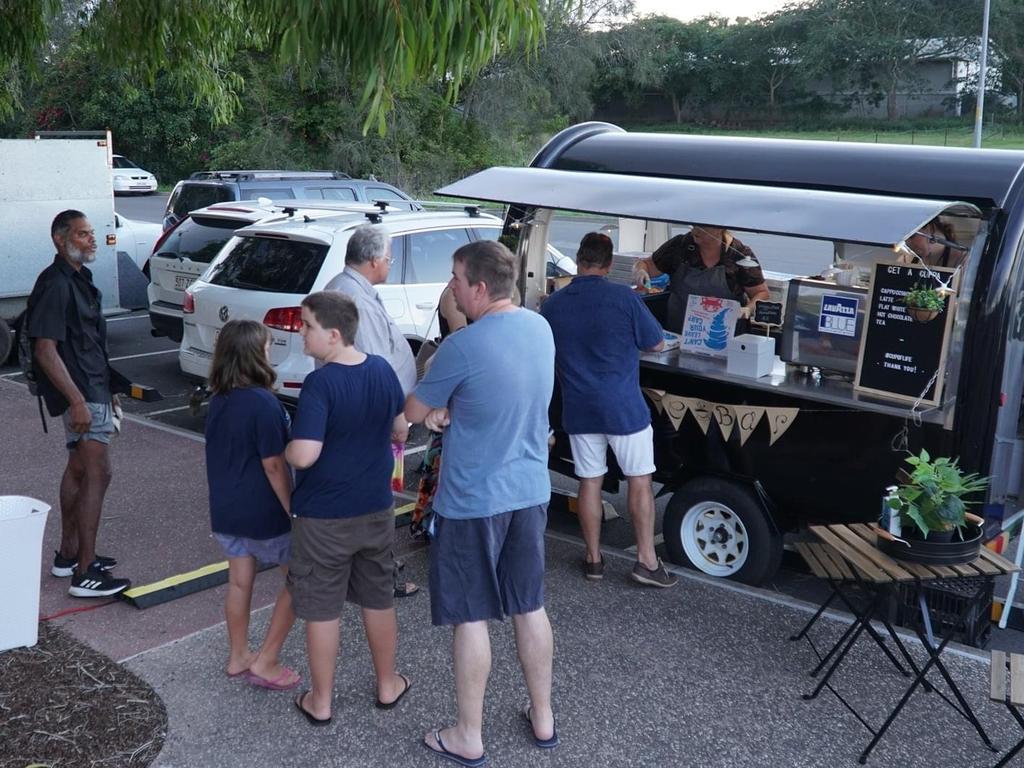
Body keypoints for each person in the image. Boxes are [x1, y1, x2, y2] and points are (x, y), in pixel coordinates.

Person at [406, 240, 558, 765]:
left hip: (474, 499)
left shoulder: (463, 346)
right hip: (530, 493)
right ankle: (543, 717)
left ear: (477, 287)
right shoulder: (540, 328)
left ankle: (468, 735)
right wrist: (451, 412)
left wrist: (434, 413)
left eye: (454, 278)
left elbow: (413, 407)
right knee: (528, 604)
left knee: (471, 615)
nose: (449, 287)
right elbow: (502, 397)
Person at [286, 291, 411, 725]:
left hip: (323, 517)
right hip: (375, 508)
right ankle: (387, 683)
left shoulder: (321, 383)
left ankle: (321, 702)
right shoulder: (381, 370)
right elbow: (400, 428)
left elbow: (304, 455)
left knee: (322, 607)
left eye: (307, 326)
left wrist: (284, 446)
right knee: (378, 599)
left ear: (333, 335)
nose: (300, 333)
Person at [541, 232, 677, 588]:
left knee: (590, 481)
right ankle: (646, 561)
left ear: (580, 259)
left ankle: (593, 558)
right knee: (639, 480)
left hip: (580, 407)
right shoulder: (623, 298)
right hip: (623, 408)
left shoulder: (553, 304)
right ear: (608, 262)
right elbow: (657, 342)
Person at [27, 210, 130, 598]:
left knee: (78, 469)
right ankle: (85, 573)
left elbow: (87, 343)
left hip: (93, 389)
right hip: (83, 395)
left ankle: (69, 555)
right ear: (60, 239)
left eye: (91, 234)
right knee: (98, 475)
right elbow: (45, 350)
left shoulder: (78, 279)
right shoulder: (56, 284)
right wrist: (78, 401)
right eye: (83, 234)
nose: (91, 240)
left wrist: (109, 386)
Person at [323, 223, 419, 598]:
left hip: (362, 414)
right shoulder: (354, 298)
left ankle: (368, 568)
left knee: (371, 492)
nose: (390, 264)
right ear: (376, 259)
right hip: (372, 418)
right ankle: (380, 573)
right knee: (378, 495)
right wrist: (398, 416)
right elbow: (376, 366)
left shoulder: (348, 288)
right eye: (390, 258)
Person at [205, 320, 299, 690]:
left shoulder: (219, 400)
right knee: (300, 579)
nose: (269, 351)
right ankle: (267, 658)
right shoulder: (263, 403)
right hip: (263, 511)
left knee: (239, 582)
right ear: (254, 354)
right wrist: (292, 509)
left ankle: (238, 654)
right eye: (267, 346)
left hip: (226, 509)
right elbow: (274, 465)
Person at [639, 224, 770, 333]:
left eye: (703, 227)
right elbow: (646, 264)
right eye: (694, 225)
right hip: (680, 334)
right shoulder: (680, 246)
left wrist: (747, 309)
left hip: (725, 337)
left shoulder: (739, 254)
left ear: (720, 228)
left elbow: (761, 293)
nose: (695, 230)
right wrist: (641, 272)